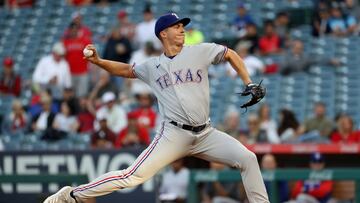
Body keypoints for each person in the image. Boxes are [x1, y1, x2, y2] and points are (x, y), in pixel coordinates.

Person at [44, 12, 269, 203]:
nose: (182, 30)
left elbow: (230, 54)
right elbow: (126, 70)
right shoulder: (153, 66)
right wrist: (99, 61)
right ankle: (72, 195)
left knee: (248, 159)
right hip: (174, 135)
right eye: (177, 26)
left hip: (206, 133)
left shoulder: (200, 51)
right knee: (131, 176)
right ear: (163, 33)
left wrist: (248, 82)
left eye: (183, 26)